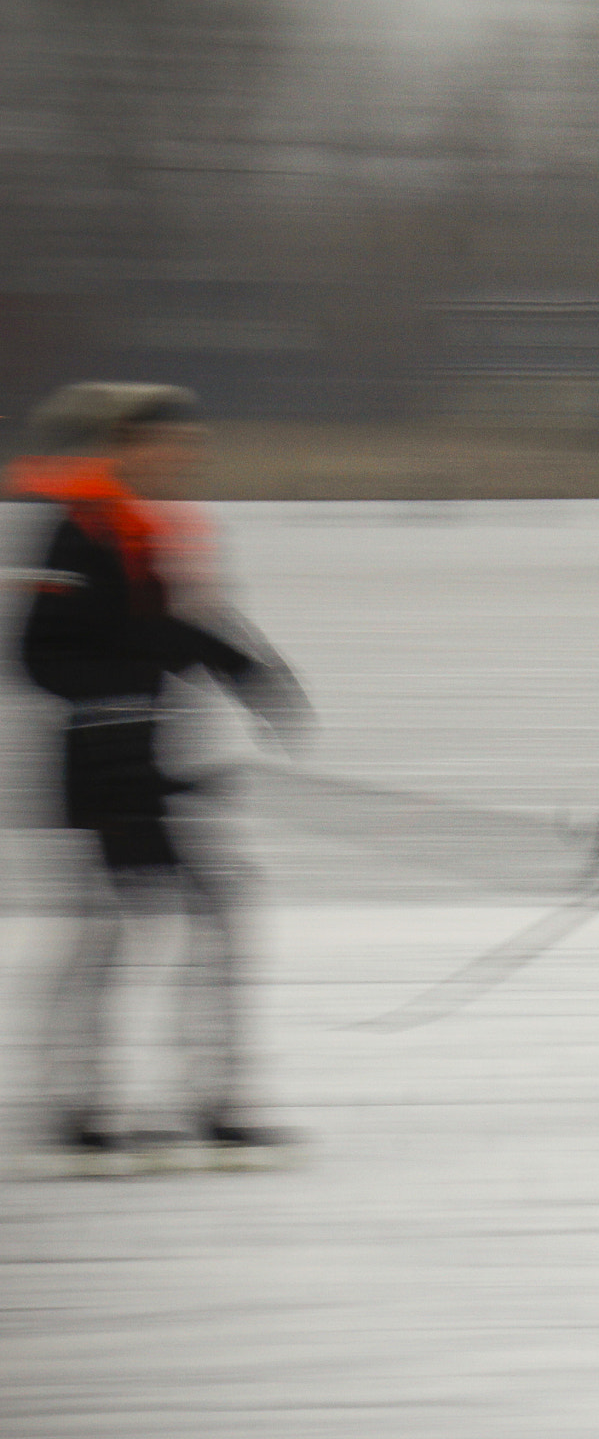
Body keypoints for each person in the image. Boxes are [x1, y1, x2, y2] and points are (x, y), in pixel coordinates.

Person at [8, 382, 311, 1169]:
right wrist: (114, 703)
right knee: (113, 930)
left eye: (192, 450)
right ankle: (83, 1103)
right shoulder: (77, 532)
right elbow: (39, 652)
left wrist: (259, 680)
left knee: (217, 915)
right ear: (128, 448)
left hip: (161, 763)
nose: (184, 461)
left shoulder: (153, 532)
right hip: (99, 766)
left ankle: (215, 1101)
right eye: (171, 447)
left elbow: (183, 628)